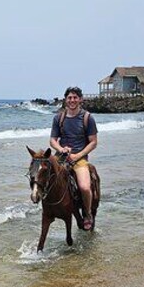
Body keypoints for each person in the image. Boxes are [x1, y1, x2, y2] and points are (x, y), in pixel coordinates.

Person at [49, 86, 98, 230]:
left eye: (75, 97)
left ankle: (87, 214)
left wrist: (78, 155)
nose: (72, 100)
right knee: (44, 177)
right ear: (65, 100)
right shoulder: (59, 118)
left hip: (80, 158)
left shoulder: (87, 118)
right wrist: (61, 149)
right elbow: (52, 140)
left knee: (84, 187)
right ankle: (48, 209)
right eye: (69, 97)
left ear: (80, 100)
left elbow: (93, 142)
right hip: (62, 157)